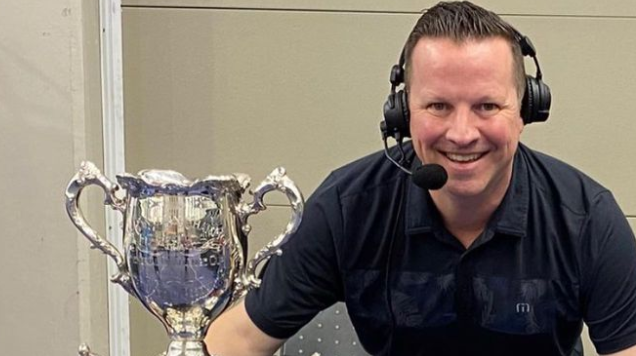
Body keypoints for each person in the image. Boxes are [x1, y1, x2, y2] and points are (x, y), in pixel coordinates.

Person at [205, 2, 636, 355]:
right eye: (438, 106)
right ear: (402, 114)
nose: (463, 133)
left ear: (525, 113)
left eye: (487, 105)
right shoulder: (347, 207)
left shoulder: (587, 218)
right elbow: (239, 339)